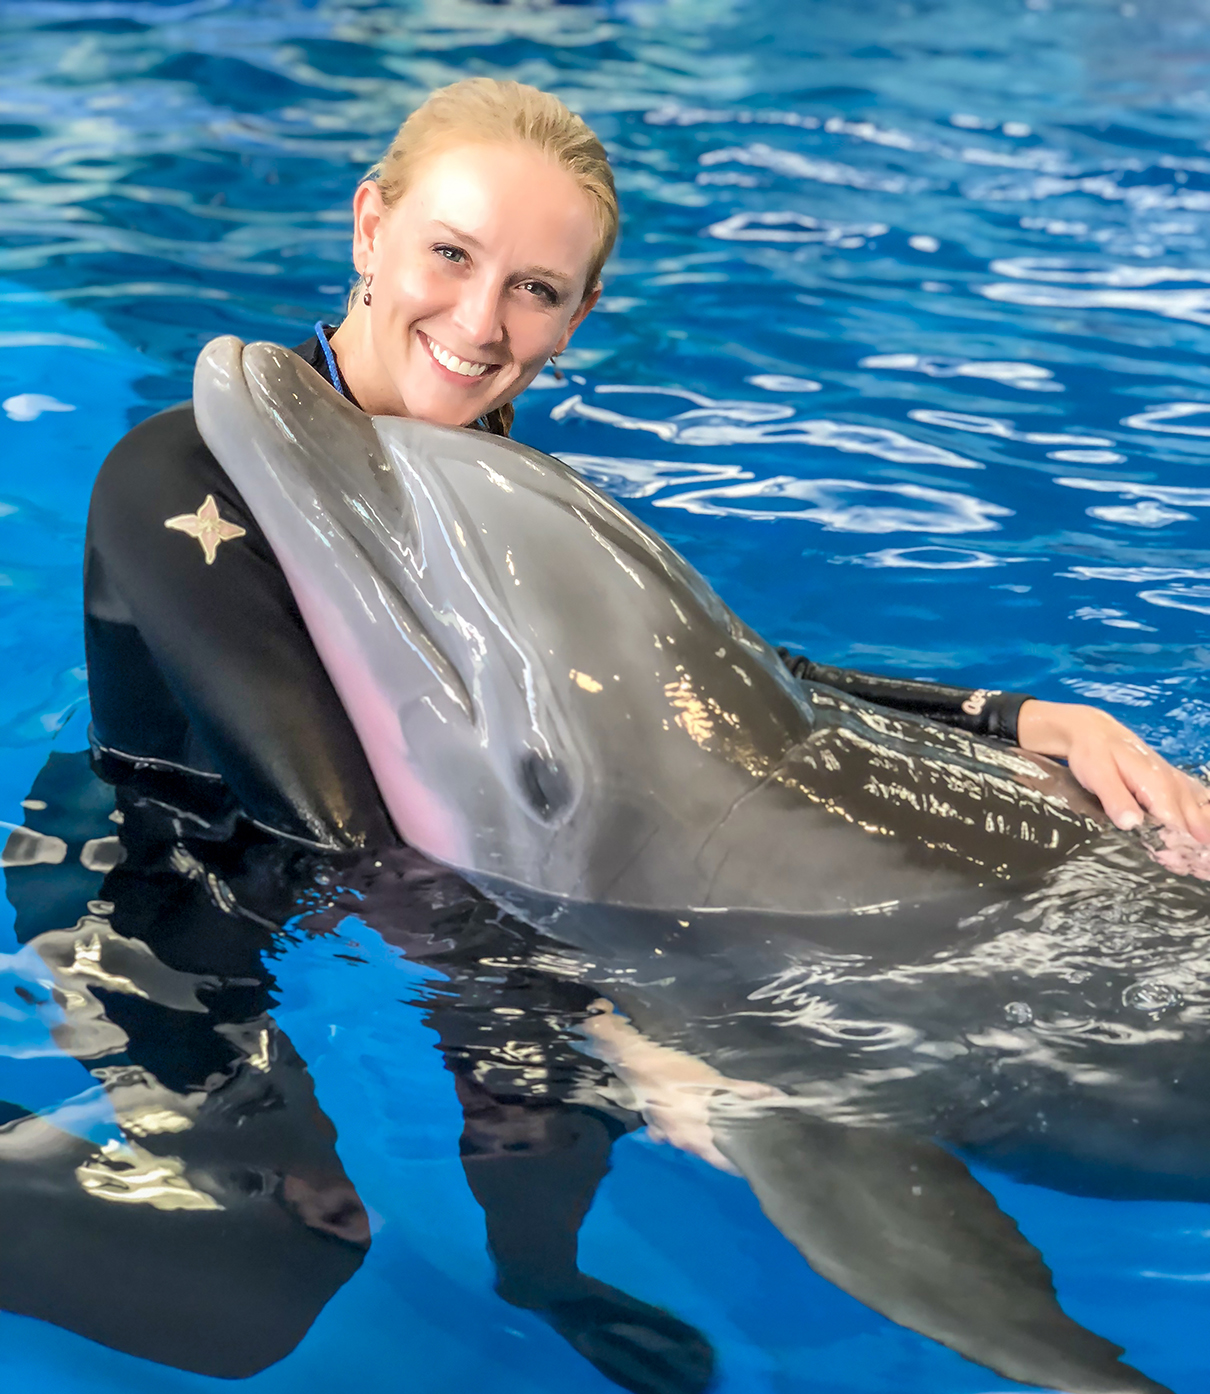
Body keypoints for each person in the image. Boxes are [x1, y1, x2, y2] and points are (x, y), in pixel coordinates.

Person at [80, 75, 1210, 854]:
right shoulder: (182, 473)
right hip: (171, 943)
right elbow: (335, 833)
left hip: (459, 921)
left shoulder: (495, 487)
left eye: (535, 288)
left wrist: (1017, 718)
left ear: (576, 317)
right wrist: (617, 1011)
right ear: (371, 227)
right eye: (450, 253)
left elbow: (732, 686)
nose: (479, 322)